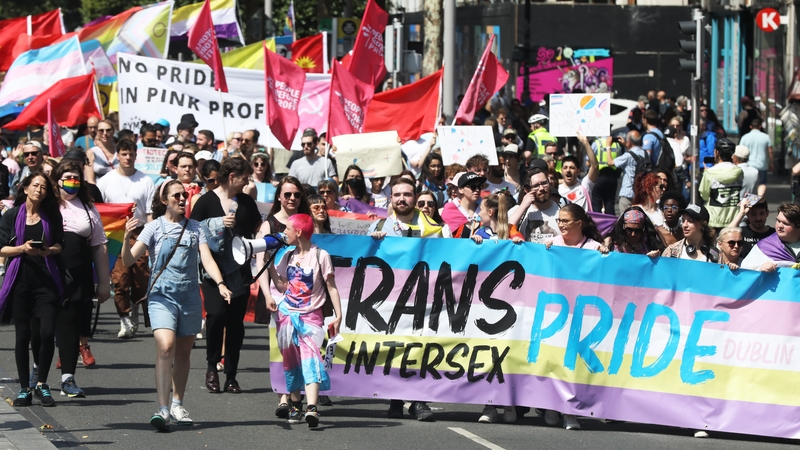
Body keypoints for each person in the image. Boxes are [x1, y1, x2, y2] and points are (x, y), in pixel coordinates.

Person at [122, 180, 232, 432]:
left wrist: (221, 283)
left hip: (190, 297)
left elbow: (206, 257)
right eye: (176, 195)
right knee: (165, 347)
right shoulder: (153, 228)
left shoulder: (195, 228)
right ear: (164, 201)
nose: (182, 199)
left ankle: (177, 403)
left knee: (183, 354)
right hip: (162, 296)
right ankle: (162, 409)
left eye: (184, 195)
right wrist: (127, 237)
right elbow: (129, 260)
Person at [369, 178, 441, 421]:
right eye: (397, 195)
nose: (402, 199)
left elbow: (450, 257)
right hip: (390, 300)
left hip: (423, 298)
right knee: (395, 348)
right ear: (391, 199)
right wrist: (373, 243)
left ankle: (418, 401)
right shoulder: (379, 226)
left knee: (419, 348)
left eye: (407, 195)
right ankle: (396, 399)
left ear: (415, 199)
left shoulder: (434, 228)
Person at [263, 214, 342, 428]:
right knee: (291, 361)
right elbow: (282, 286)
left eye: (287, 229)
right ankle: (296, 403)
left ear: (298, 232)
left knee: (311, 361)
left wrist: (339, 314)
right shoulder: (287, 255)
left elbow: (331, 286)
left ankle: (312, 408)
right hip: (287, 315)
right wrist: (268, 263)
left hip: (311, 316)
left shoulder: (321, 256)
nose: (284, 233)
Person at [191, 158, 261, 394]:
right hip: (213, 272)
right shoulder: (206, 201)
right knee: (216, 315)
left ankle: (231, 375)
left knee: (235, 324)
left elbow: (257, 230)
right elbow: (192, 231)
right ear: (232, 177)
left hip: (239, 272)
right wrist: (216, 224)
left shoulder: (246, 202)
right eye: (244, 178)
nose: (247, 183)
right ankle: (212, 366)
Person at [0, 173, 64, 407]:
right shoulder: (12, 215)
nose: (39, 189)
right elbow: (1, 249)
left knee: (46, 333)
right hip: (20, 283)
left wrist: (49, 250)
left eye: (44, 187)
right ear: (25, 188)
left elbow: (60, 244)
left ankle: (42, 384)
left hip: (46, 282)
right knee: (23, 336)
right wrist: (22, 248)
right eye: (35, 185)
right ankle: (25, 388)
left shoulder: (51, 215)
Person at [53, 161, 110, 397]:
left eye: (76, 178)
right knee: (44, 329)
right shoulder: (47, 205)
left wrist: (104, 281)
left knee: (70, 327)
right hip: (48, 274)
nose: (72, 182)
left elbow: (99, 246)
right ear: (57, 180)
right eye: (67, 177)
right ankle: (36, 377)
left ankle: (68, 378)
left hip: (79, 277)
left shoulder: (88, 208)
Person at [470, 190, 523, 425]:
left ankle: (509, 404)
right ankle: (489, 405)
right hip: (484, 303)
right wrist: (473, 245)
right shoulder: (479, 233)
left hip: (509, 303)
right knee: (488, 354)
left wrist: (520, 245)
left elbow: (524, 255)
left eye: (481, 210)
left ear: (490, 212)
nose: (478, 214)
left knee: (507, 353)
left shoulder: (511, 232)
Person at [97, 139, 156, 338]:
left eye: (131, 153)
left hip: (138, 234)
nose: (128, 157)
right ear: (118, 155)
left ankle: (135, 307)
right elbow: (100, 212)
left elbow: (149, 214)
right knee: (120, 280)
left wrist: (149, 240)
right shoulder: (105, 180)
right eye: (124, 153)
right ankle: (124, 319)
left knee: (140, 279)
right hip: (115, 235)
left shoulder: (145, 181)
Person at [699, 138, 743, 231]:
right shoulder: (739, 172)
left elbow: (704, 195)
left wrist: (706, 174)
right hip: (733, 218)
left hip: (714, 219)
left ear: (717, 152)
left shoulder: (710, 173)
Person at [741, 203, 800, 270]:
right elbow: (745, 273)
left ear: (798, 227)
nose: (780, 226)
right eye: (778, 221)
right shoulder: (763, 247)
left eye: (785, 223)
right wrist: (760, 269)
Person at [509, 167, 560, 243]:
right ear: (527, 190)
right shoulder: (517, 211)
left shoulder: (562, 211)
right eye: (536, 186)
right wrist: (523, 206)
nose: (541, 188)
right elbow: (504, 231)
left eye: (544, 183)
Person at [604, 130, 647, 212]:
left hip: (627, 192)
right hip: (641, 192)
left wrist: (608, 147)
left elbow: (610, 162)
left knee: (625, 220)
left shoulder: (627, 156)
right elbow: (634, 153)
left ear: (629, 142)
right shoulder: (645, 153)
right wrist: (626, 145)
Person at [559, 133, 599, 211]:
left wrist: (585, 142)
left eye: (572, 168)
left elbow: (594, 166)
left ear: (578, 171)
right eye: (565, 167)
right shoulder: (557, 189)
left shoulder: (585, 185)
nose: (568, 170)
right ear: (561, 171)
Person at [737, 118, 772, 197]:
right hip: (762, 164)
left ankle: (749, 200)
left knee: (750, 183)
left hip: (749, 164)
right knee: (762, 183)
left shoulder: (745, 137)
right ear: (760, 126)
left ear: (750, 126)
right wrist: (771, 163)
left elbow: (740, 151)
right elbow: (770, 151)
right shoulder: (766, 137)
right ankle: (759, 198)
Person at [591, 135, 623, 215]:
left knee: (596, 203)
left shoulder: (596, 143)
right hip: (612, 177)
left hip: (598, 176)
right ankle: (610, 226)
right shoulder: (617, 144)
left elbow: (588, 162)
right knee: (610, 204)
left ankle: (597, 225)